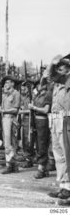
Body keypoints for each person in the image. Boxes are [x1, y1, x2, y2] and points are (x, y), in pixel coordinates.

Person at [46, 55, 70, 200]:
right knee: (59, 155)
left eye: (62, 66)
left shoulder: (67, 80)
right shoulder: (59, 82)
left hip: (66, 119)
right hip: (55, 119)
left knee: (67, 156)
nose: (59, 68)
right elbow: (50, 76)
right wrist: (52, 63)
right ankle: (64, 186)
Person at [0, 76, 21, 174]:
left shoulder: (16, 94)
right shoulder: (4, 94)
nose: (6, 84)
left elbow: (15, 109)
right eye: (5, 83)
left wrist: (3, 110)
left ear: (13, 84)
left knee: (10, 142)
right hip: (3, 118)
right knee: (6, 142)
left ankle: (10, 165)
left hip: (11, 118)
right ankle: (12, 164)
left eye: (8, 82)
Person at [28, 80, 52, 179]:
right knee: (37, 145)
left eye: (40, 84)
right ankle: (44, 168)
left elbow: (46, 110)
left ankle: (41, 168)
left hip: (43, 121)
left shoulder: (47, 95)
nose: (38, 86)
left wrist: (34, 107)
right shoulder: (37, 95)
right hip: (36, 121)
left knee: (42, 145)